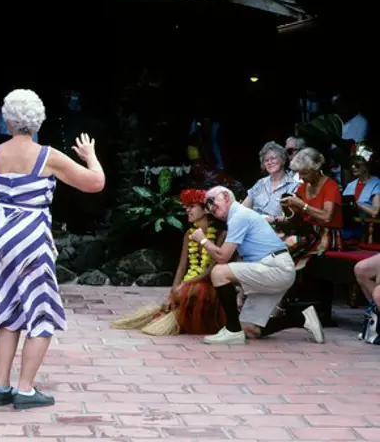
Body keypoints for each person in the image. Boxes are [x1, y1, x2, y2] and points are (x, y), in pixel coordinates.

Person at [0, 89, 105, 410]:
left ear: (8, 121)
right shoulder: (47, 155)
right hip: (30, 238)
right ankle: (25, 390)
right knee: (41, 312)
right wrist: (90, 155)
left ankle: (1, 387)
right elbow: (95, 183)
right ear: (37, 121)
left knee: (8, 313)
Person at [193, 185, 325, 345]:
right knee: (249, 329)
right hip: (272, 268)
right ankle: (300, 317)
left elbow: (223, 258)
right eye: (207, 205)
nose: (210, 207)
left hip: (276, 268)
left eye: (212, 201)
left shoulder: (239, 215)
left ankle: (232, 331)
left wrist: (202, 240)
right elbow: (239, 262)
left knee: (219, 272)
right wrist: (241, 288)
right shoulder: (238, 216)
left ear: (226, 197)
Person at [111, 189, 227, 335]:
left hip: (211, 284)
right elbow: (182, 266)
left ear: (205, 209)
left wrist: (184, 286)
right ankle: (166, 319)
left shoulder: (221, 234)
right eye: (186, 207)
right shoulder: (189, 235)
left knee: (182, 293)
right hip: (193, 282)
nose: (187, 210)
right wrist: (173, 291)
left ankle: (170, 320)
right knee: (177, 294)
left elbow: (210, 271)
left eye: (191, 207)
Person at [243, 141, 300, 220]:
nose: (269, 162)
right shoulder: (260, 183)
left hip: (276, 229)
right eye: (266, 160)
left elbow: (293, 218)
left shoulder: (293, 186)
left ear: (283, 160)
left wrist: (273, 220)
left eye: (273, 158)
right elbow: (243, 208)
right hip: (253, 224)